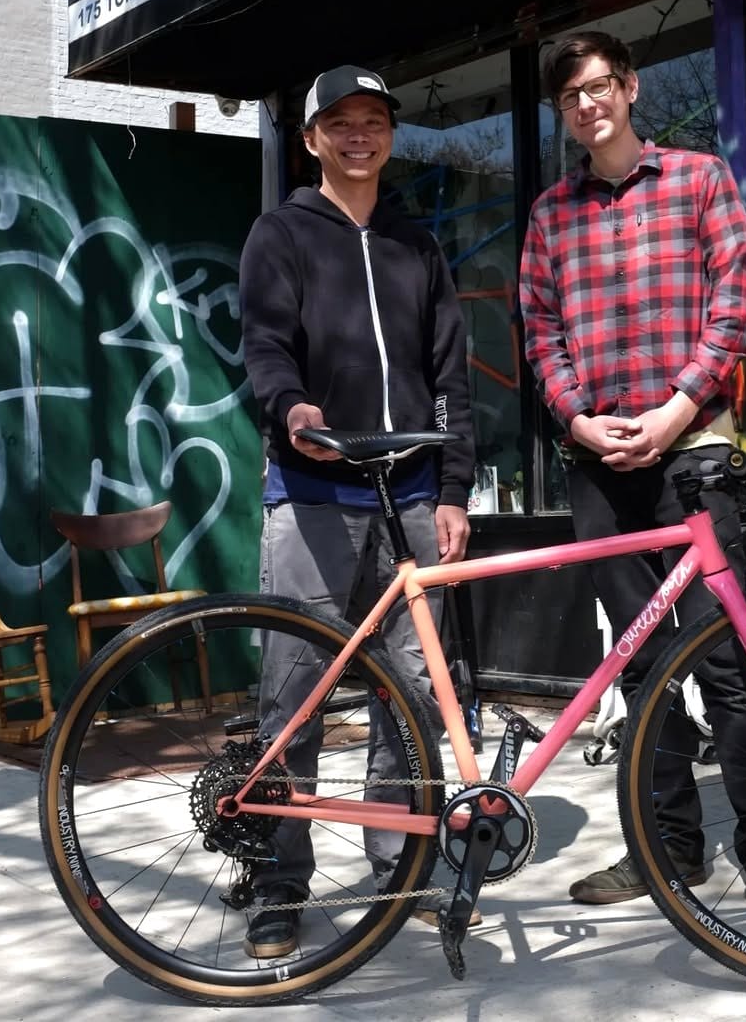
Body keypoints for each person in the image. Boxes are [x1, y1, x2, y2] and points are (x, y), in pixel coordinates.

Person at [518, 31, 746, 929]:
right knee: (640, 666)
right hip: (599, 465)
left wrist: (676, 409)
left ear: (628, 88)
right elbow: (540, 332)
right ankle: (668, 846)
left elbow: (735, 304)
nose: (588, 105)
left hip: (695, 453)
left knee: (731, 662)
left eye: (598, 87)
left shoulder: (700, 180)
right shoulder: (551, 215)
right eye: (570, 97)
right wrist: (578, 417)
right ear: (563, 113)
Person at [239, 63, 476, 958]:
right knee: (293, 697)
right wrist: (291, 408)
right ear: (310, 139)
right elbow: (264, 344)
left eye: (374, 120)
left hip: (414, 495)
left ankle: (399, 866)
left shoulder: (419, 245)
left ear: (390, 135)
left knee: (409, 699)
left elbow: (452, 373)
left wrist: (455, 488)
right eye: (339, 122)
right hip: (313, 494)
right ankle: (279, 880)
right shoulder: (281, 232)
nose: (359, 135)